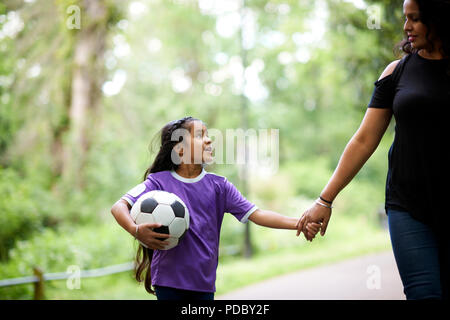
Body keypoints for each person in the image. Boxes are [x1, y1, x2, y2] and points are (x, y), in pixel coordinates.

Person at [297, 0, 450, 300]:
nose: (406, 27)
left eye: (415, 19)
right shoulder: (397, 72)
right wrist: (324, 200)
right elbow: (364, 140)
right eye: (405, 18)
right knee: (425, 294)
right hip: (408, 205)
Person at [111, 116, 318, 300]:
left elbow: (258, 214)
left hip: (203, 284)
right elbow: (119, 207)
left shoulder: (220, 186)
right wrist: (136, 230)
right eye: (200, 135)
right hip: (168, 282)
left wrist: (300, 223)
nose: (209, 140)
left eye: (208, 135)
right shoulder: (158, 182)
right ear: (180, 149)